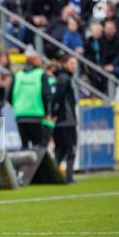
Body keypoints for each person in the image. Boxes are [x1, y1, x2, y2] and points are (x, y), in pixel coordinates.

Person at [8, 52, 54, 148]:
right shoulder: (41, 74)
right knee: (37, 146)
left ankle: (24, 163)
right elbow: (46, 95)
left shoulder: (18, 75)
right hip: (36, 115)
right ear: (35, 61)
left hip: (20, 115)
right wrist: (47, 112)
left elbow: (9, 95)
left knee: (24, 146)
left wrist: (16, 108)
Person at [52, 55, 78, 184]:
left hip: (60, 121)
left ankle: (53, 175)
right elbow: (58, 97)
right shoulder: (64, 78)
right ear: (64, 64)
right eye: (72, 63)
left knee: (60, 150)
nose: (74, 66)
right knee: (70, 149)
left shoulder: (60, 77)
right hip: (67, 120)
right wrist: (55, 112)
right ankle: (68, 177)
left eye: (75, 64)